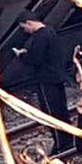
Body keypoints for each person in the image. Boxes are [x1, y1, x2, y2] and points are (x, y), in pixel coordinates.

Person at [13, 10, 75, 154]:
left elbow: (35, 58)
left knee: (51, 113)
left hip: (46, 79)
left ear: (29, 23)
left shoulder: (40, 37)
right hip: (57, 77)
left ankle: (61, 144)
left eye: (24, 27)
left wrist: (21, 56)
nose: (25, 31)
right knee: (62, 110)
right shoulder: (51, 32)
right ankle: (68, 139)